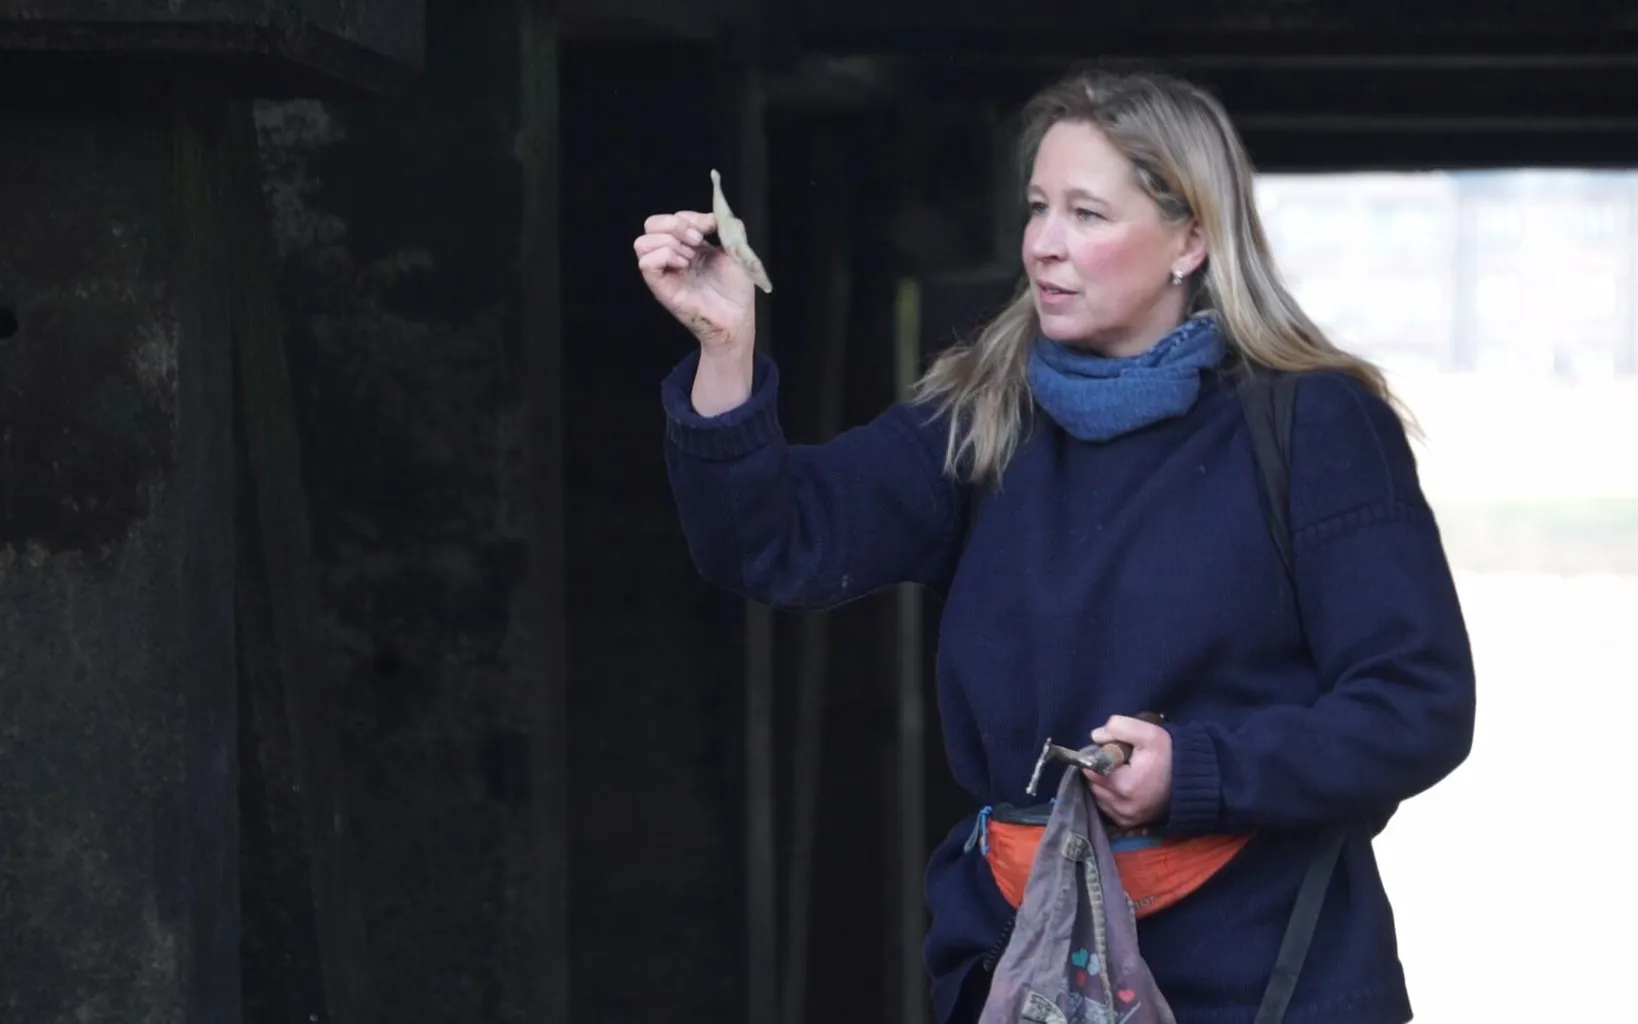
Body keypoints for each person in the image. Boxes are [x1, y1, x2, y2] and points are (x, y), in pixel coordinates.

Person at [633, 68, 1476, 1024]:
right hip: (1022, 972)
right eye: (1038, 208)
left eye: (1086, 213)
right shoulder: (982, 416)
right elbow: (772, 542)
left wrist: (1196, 774)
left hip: (1266, 981)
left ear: (1191, 238)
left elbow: (1419, 703)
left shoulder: (1313, 424)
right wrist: (725, 349)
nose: (1043, 245)